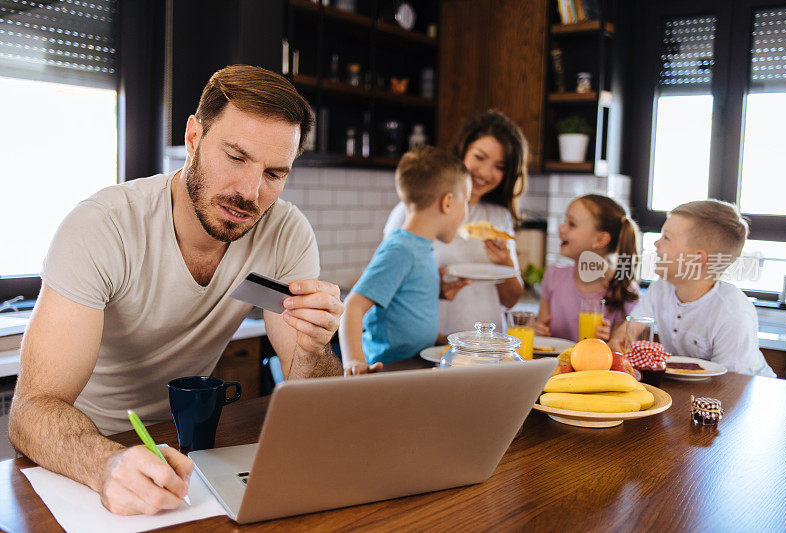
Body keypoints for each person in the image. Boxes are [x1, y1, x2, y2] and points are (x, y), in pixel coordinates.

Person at [9, 65, 345, 515]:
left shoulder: (286, 233)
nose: (250, 193)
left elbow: (313, 408)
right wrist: (105, 463)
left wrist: (314, 350)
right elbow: (31, 411)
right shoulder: (102, 226)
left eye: (274, 173)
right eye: (236, 157)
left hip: (192, 450)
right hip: (84, 451)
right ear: (193, 137)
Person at [384, 110, 528, 339]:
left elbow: (510, 301)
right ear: (463, 150)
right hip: (433, 344)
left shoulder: (499, 217)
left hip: (488, 347)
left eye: (499, 166)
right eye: (480, 158)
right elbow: (386, 290)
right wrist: (434, 288)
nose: (486, 173)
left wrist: (506, 263)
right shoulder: (412, 212)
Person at [341, 146, 471, 374]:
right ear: (447, 202)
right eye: (466, 201)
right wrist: (354, 362)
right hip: (389, 370)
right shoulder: (400, 249)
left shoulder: (420, 247)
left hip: (413, 366)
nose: (467, 213)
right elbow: (353, 305)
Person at [609, 200, 775, 377]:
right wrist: (619, 339)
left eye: (666, 237)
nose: (657, 243)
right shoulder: (660, 288)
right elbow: (632, 327)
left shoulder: (733, 314)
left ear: (697, 259)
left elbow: (731, 384)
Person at [534, 194, 640, 342]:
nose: (561, 228)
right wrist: (537, 329)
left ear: (600, 239)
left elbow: (622, 352)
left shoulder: (624, 291)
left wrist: (610, 340)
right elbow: (541, 327)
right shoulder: (553, 275)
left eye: (571, 224)